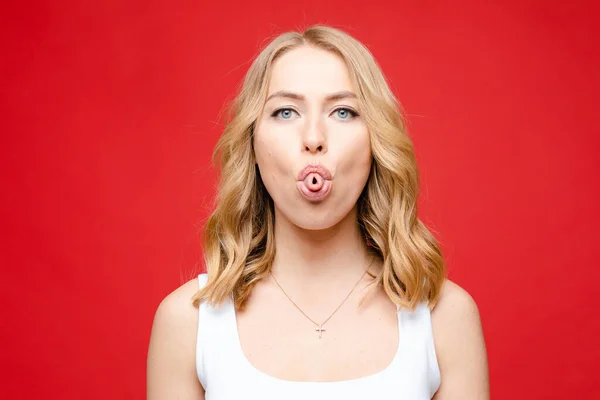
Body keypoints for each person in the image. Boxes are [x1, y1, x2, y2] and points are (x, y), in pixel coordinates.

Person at [146, 25, 489, 399]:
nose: (313, 138)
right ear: (253, 145)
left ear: (376, 142)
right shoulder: (188, 323)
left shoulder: (444, 319)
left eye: (343, 112)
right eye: (285, 111)